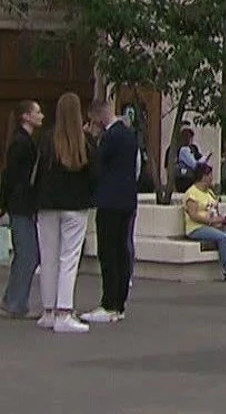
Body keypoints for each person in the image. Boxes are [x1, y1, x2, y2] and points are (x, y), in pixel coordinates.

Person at [34, 92, 97, 334]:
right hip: (75, 204)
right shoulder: (86, 142)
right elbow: (94, 175)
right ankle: (64, 311)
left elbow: (38, 172)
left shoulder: (47, 139)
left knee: (48, 258)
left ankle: (49, 311)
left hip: (48, 204)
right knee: (68, 259)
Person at [84, 98, 138, 324]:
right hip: (127, 200)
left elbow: (96, 164)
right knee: (122, 250)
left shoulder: (110, 137)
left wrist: (91, 138)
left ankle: (109, 304)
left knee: (108, 252)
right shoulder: (128, 134)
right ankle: (120, 303)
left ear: (98, 116)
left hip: (109, 201)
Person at [0, 99, 45, 320]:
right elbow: (10, 175)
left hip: (21, 202)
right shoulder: (21, 143)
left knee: (25, 254)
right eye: (37, 112)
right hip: (21, 203)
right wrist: (2, 203)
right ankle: (16, 302)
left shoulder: (25, 141)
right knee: (28, 254)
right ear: (26, 116)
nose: (41, 116)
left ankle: (12, 299)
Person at [181, 162, 226, 281]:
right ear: (203, 176)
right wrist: (210, 220)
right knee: (223, 237)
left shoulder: (209, 193)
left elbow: (214, 209)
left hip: (213, 225)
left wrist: (221, 220)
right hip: (196, 228)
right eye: (210, 175)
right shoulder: (192, 193)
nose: (211, 178)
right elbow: (193, 215)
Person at [174, 127, 205, 194]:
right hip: (185, 178)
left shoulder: (191, 148)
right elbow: (193, 164)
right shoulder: (184, 150)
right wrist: (202, 161)